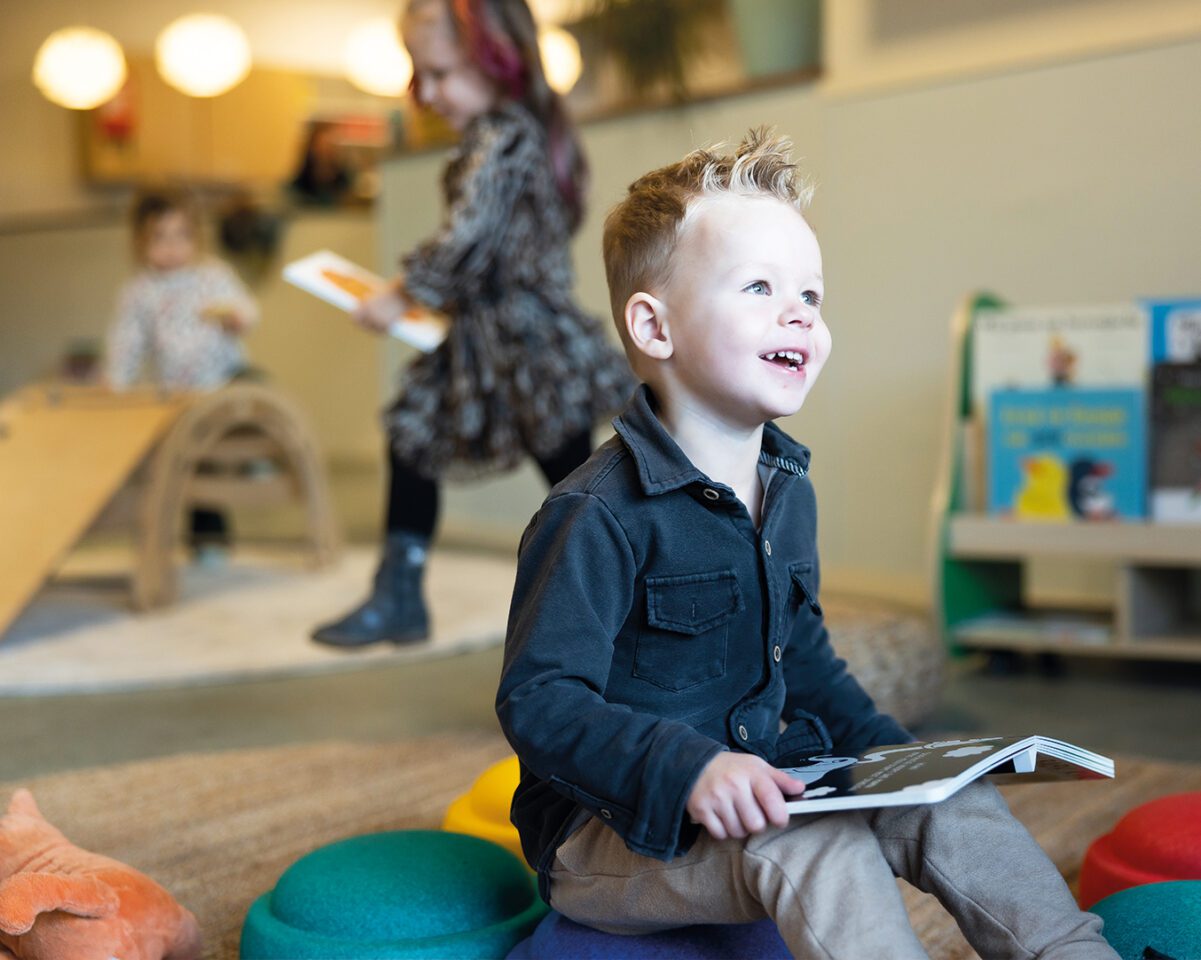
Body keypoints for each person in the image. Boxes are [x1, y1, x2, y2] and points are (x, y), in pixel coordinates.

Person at [495, 131, 1120, 959]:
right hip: (619, 831)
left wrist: (907, 763)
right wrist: (687, 769)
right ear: (654, 326)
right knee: (814, 846)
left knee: (952, 807)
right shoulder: (593, 513)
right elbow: (538, 700)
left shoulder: (788, 490)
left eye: (812, 297)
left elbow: (807, 661)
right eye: (758, 287)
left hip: (774, 782)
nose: (798, 314)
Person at [311, 0, 633, 648]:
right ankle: (397, 594)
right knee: (411, 437)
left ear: (497, 61)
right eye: (418, 77)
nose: (426, 94)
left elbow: (468, 236)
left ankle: (636, 598)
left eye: (439, 74)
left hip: (525, 341)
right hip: (476, 336)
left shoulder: (507, 136)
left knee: (570, 475)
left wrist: (400, 294)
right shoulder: (495, 138)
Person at [107, 188, 259, 556]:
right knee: (195, 465)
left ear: (197, 237)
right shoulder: (139, 292)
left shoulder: (213, 276)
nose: (172, 247)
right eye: (160, 237)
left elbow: (246, 310)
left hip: (226, 377)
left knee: (259, 389)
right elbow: (125, 341)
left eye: (182, 236)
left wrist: (236, 318)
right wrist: (115, 383)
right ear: (140, 241)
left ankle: (255, 457)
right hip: (178, 394)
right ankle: (209, 541)